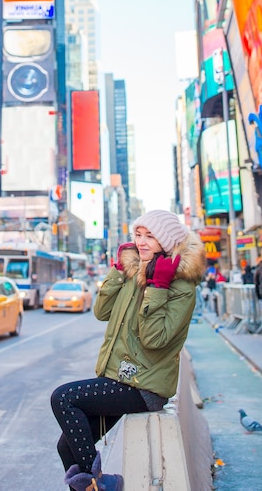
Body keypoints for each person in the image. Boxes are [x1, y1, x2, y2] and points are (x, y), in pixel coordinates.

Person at [51, 210, 206, 491]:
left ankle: (101, 483)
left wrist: (157, 287)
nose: (142, 242)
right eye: (138, 234)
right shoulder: (136, 271)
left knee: (63, 398)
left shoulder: (181, 286)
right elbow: (101, 312)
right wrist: (118, 270)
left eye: (151, 236)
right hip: (117, 378)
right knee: (66, 447)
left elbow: (154, 339)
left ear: (167, 241)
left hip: (144, 387)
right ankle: (97, 484)